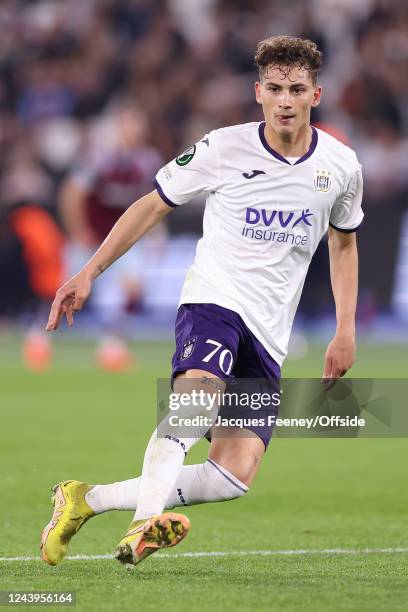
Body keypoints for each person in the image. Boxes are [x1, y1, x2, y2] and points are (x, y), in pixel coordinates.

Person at [41, 35, 363, 567]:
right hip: (213, 301)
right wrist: (90, 270)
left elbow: (344, 243)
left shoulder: (342, 166)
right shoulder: (222, 148)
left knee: (231, 476)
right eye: (276, 89)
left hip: (269, 332)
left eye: (297, 89)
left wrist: (345, 328)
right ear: (258, 92)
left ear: (316, 94)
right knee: (192, 405)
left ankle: (84, 499)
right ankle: (142, 525)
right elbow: (151, 206)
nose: (286, 100)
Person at [59, 103, 163, 369]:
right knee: (65, 292)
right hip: (91, 236)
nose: (136, 130)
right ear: (118, 127)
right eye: (130, 123)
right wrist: (78, 230)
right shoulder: (99, 157)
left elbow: (153, 201)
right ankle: (41, 337)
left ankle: (113, 340)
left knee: (133, 287)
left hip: (122, 238)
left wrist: (156, 234)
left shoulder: (148, 160)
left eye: (139, 124)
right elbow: (72, 193)